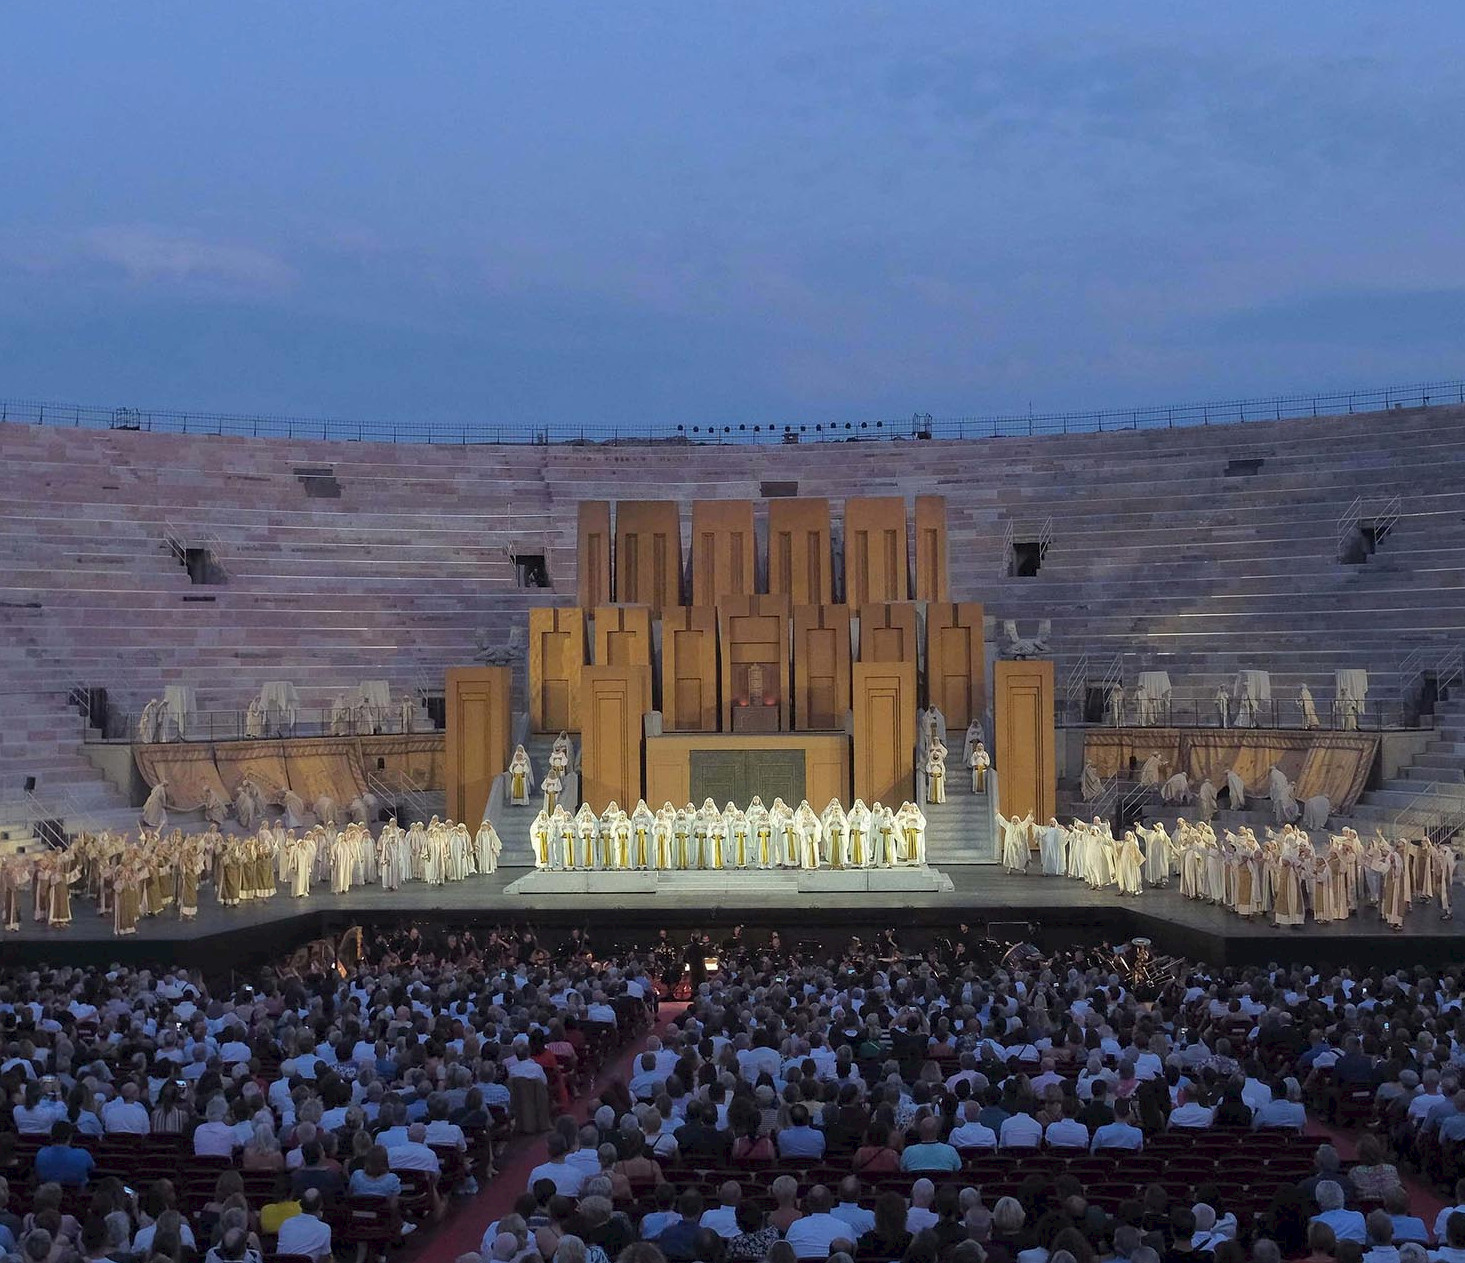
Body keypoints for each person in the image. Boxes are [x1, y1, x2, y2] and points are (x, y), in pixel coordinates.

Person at [276, 1188, 333, 1262]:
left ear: (300, 1204)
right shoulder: (324, 1228)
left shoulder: (286, 1223)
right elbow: (324, 1259)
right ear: (320, 1205)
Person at [34, 1122, 94, 1188]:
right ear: (70, 1137)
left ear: (51, 1135)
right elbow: (91, 1168)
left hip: (48, 1194)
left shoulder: (41, 1153)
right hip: (76, 1195)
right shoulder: (83, 1154)